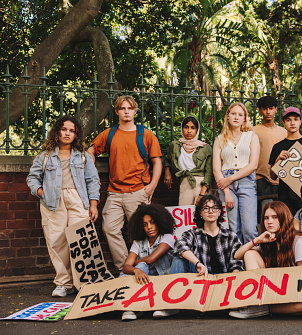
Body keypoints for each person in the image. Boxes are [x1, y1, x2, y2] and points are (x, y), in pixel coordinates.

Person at [27, 116, 100, 297]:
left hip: (77, 199)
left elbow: (92, 180)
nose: (67, 133)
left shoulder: (83, 156)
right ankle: (63, 283)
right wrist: (42, 193)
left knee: (81, 239)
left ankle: (84, 282)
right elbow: (32, 178)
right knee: (56, 241)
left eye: (72, 130)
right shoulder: (45, 156)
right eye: (64, 129)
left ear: (76, 135)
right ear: (57, 131)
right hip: (52, 201)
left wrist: (93, 204)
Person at [87, 95, 163, 272]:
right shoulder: (110, 134)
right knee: (109, 228)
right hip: (114, 192)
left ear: (135, 111)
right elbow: (90, 151)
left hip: (138, 191)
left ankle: (150, 268)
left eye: (130, 108)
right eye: (122, 108)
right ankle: (125, 269)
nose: (126, 112)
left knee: (145, 232)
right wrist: (92, 173)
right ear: (117, 111)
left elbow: (157, 162)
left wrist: (152, 186)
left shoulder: (145, 134)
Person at [230, 201, 302, 319]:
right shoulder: (267, 240)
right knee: (250, 253)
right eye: (266, 218)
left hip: (294, 290)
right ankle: (257, 302)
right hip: (273, 291)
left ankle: (262, 309)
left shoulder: (297, 240)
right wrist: (257, 240)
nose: (269, 222)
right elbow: (237, 255)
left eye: (275, 217)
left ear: (283, 218)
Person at [213, 102, 260, 243]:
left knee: (249, 228)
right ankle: (237, 263)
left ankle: (253, 262)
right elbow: (216, 168)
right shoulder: (219, 139)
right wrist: (226, 190)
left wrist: (231, 178)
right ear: (227, 116)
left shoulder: (251, 136)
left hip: (246, 181)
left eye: (240, 115)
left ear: (244, 119)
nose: (236, 117)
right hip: (225, 184)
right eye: (233, 114)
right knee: (233, 227)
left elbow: (253, 165)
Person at [121, 204, 177, 321]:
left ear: (160, 222)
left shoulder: (167, 237)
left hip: (164, 283)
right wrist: (136, 269)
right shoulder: (138, 242)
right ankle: (132, 307)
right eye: (145, 224)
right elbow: (126, 267)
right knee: (130, 272)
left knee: (142, 264)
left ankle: (170, 306)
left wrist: (137, 263)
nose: (149, 227)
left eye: (152, 222)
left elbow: (151, 258)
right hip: (144, 283)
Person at [170, 194, 244, 277]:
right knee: (179, 259)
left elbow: (237, 263)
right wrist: (197, 263)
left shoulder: (230, 236)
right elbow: (179, 245)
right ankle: (174, 289)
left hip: (224, 279)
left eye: (214, 208)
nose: (210, 211)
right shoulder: (193, 234)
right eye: (206, 208)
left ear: (219, 212)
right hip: (200, 277)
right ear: (200, 213)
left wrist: (233, 277)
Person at [269, 106, 302, 215]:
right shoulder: (278, 147)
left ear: (300, 121)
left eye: (295, 119)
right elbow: (272, 176)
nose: (292, 123)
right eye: (288, 120)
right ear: (283, 123)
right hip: (285, 195)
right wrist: (278, 160)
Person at [163, 116, 213, 205]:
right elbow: (168, 160)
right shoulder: (174, 146)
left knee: (202, 215)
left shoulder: (205, 148)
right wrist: (167, 172)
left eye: (193, 128)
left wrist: (202, 194)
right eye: (186, 127)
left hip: (201, 184)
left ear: (197, 130)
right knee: (185, 215)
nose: (189, 131)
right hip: (184, 183)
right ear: (182, 129)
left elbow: (209, 173)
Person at [254, 96, 287, 219]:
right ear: (260, 110)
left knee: (280, 215)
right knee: (265, 216)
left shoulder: (283, 132)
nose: (268, 112)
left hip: (281, 179)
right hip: (260, 178)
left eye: (271, 108)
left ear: (276, 110)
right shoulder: (253, 131)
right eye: (264, 109)